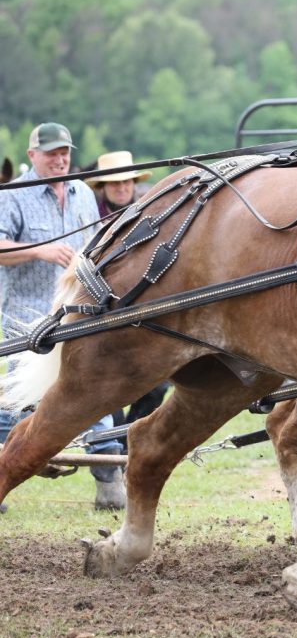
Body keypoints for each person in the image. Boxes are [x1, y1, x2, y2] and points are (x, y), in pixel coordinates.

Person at [0, 123, 127, 512]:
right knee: (16, 400)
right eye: (52, 153)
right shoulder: (12, 195)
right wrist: (39, 251)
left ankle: (108, 476)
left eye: (64, 152)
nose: (60, 159)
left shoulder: (84, 194)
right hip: (26, 313)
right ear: (33, 154)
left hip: (76, 312)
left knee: (94, 386)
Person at [88, 150, 168, 441]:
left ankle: (127, 441)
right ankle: (116, 444)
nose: (122, 188)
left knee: (158, 386)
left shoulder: (149, 213)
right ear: (103, 188)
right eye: (114, 184)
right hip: (100, 309)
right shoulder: (90, 218)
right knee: (110, 391)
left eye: (127, 182)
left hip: (138, 308)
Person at [87, 150, 151, 218]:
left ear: (133, 183)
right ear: (102, 187)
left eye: (126, 181)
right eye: (114, 183)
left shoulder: (148, 214)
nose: (121, 189)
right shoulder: (91, 219)